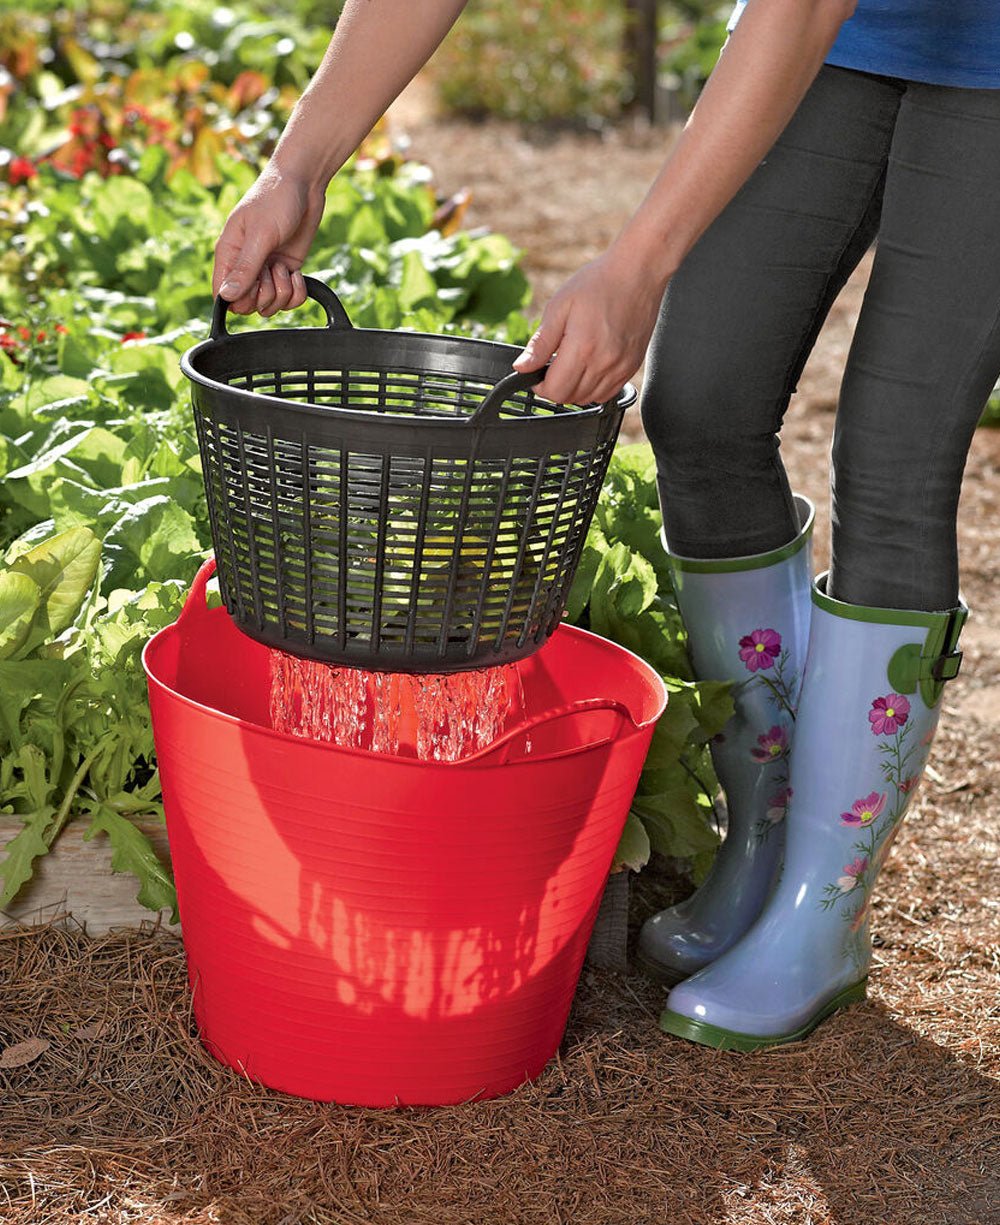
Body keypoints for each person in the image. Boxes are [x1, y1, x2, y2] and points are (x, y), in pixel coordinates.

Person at [212, 0, 998, 1051]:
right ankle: (760, 839)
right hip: (848, 36)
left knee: (893, 458)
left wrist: (633, 269)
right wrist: (297, 166)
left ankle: (821, 907)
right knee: (702, 406)